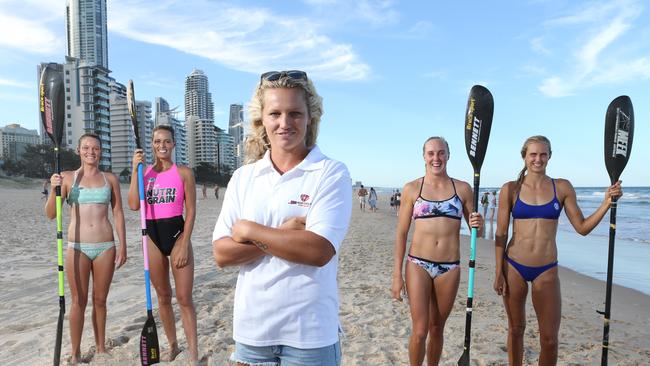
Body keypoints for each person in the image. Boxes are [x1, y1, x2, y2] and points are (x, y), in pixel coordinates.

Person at [212, 70, 352, 366]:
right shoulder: (243, 178)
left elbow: (318, 251)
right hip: (252, 334)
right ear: (262, 118)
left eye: (295, 114)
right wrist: (283, 232)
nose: (285, 123)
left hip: (310, 336)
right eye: (275, 113)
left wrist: (250, 230)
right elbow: (222, 254)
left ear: (310, 117)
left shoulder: (330, 172)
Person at [493, 135, 622, 365]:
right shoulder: (510, 189)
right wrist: (498, 272)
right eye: (533, 154)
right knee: (515, 330)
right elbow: (501, 234)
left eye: (543, 154)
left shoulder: (561, 187)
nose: (538, 159)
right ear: (524, 157)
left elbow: (582, 228)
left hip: (546, 269)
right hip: (513, 266)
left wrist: (605, 203)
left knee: (550, 339)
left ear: (549, 156)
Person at [391, 136, 483, 365]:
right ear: (424, 156)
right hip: (418, 264)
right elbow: (401, 233)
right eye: (431, 153)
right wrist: (396, 275)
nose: (436, 158)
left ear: (448, 155)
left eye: (441, 153)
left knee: (437, 328)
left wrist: (478, 225)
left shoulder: (462, 188)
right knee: (420, 330)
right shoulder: (412, 189)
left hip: (449, 268)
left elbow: (476, 233)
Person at [44, 133, 127, 363]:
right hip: (77, 247)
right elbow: (51, 214)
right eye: (86, 147)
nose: (91, 151)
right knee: (78, 301)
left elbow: (118, 213)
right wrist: (54, 189)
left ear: (101, 151)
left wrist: (123, 244)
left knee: (100, 300)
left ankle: (100, 348)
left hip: (105, 246)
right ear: (79, 151)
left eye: (96, 148)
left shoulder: (110, 179)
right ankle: (76, 352)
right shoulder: (67, 178)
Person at [127, 125, 198, 362]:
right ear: (152, 145)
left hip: (178, 234)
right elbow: (134, 206)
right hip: (153, 238)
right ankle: (174, 345)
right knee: (164, 296)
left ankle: (194, 352)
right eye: (157, 142)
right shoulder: (144, 173)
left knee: (185, 298)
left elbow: (191, 211)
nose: (162, 146)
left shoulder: (184, 173)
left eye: (166, 141)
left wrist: (184, 241)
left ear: (174, 144)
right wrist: (134, 169)